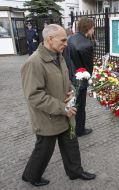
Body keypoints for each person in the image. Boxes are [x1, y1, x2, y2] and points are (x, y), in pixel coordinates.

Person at [21, 24, 96, 187]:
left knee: (71, 143)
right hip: (47, 117)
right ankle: (31, 175)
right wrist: (64, 108)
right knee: (44, 150)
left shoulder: (58, 55)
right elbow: (34, 95)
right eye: (63, 40)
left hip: (64, 113)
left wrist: (71, 92)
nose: (66, 43)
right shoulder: (33, 63)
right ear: (50, 39)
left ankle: (75, 172)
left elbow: (64, 78)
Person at [64, 17, 95, 137]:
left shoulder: (70, 38)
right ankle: (80, 130)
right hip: (80, 79)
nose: (93, 31)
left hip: (69, 76)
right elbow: (88, 67)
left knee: (71, 102)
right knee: (80, 106)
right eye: (93, 29)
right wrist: (88, 79)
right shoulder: (87, 44)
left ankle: (69, 126)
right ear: (88, 28)